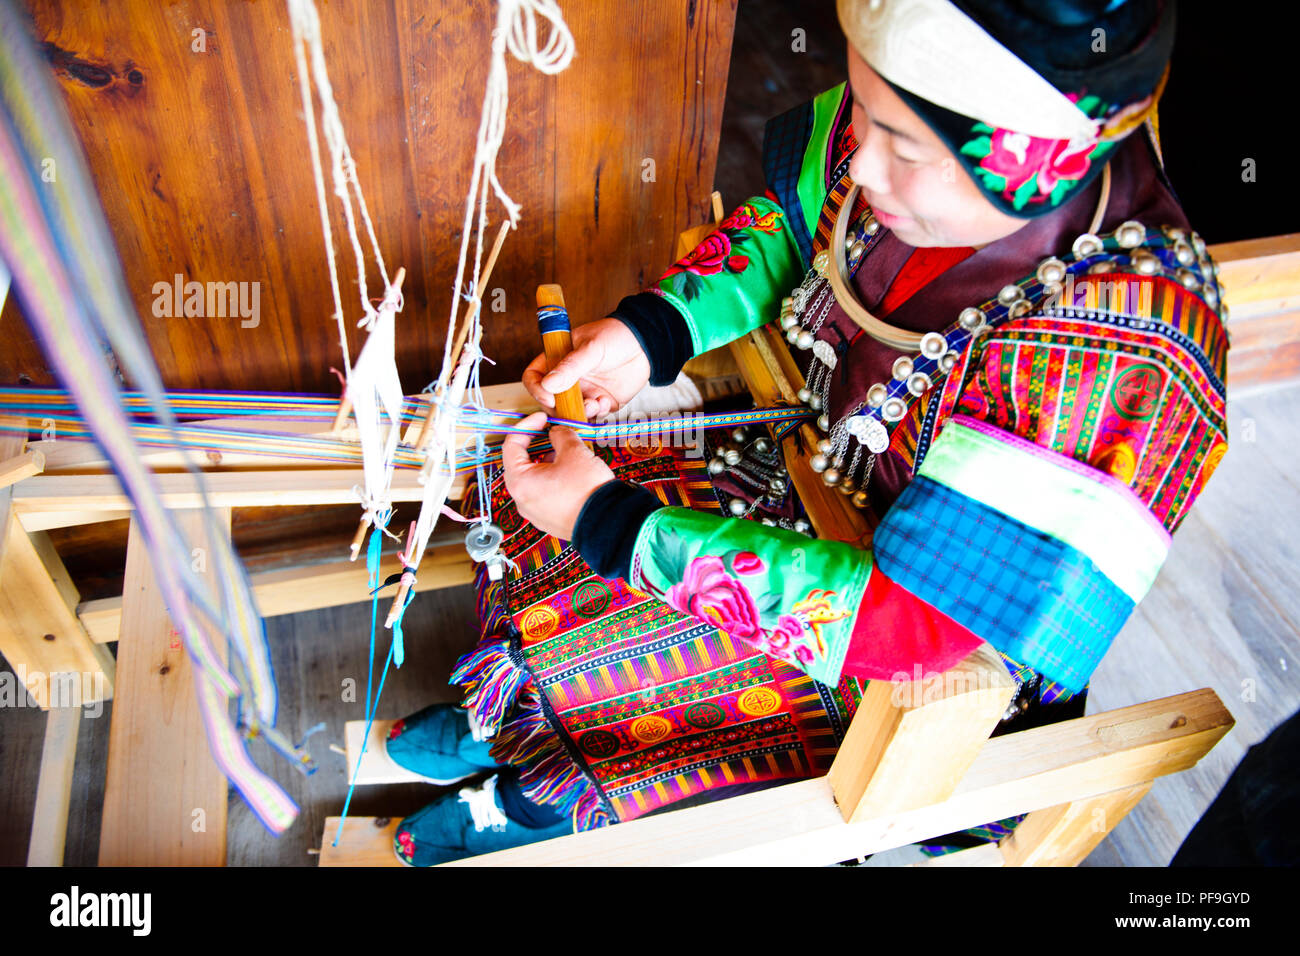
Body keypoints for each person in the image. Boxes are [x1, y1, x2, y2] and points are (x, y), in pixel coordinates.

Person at [386, 0, 1229, 865]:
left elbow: (920, 633)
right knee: (540, 501)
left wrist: (612, 523)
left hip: (915, 665)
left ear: (1030, 164)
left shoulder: (1125, 355)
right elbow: (797, 224)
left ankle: (543, 795)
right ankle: (518, 710)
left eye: (905, 146)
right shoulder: (913, 124)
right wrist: (656, 334)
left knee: (627, 641)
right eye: (865, 114)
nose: (862, 161)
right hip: (807, 476)